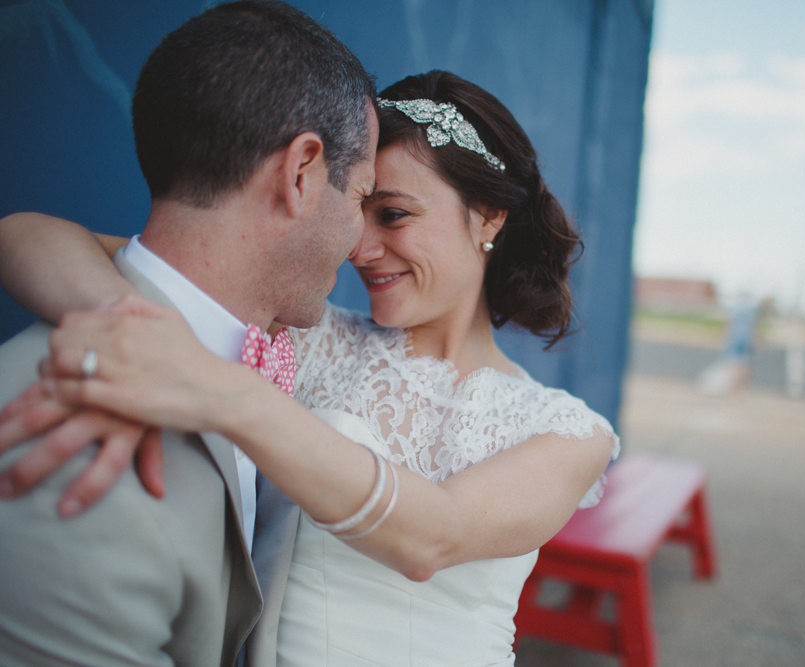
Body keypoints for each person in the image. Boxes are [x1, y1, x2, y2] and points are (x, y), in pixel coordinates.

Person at [0, 70, 618, 665]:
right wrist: (127, 324)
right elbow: (25, 233)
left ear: (488, 215)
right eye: (360, 209)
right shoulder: (307, 335)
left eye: (394, 215)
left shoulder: (567, 432)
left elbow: (435, 536)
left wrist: (224, 392)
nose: (360, 247)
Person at [0, 1, 378, 664]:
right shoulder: (72, 464)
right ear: (300, 173)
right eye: (363, 195)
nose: (359, 240)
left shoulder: (259, 344)